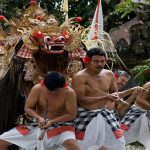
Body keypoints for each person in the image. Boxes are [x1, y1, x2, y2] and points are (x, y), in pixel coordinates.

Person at [0, 71, 82, 150]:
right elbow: (28, 108)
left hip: (62, 125)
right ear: (44, 84)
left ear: (62, 86)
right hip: (37, 124)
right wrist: (39, 118)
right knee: (2, 141)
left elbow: (72, 115)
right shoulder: (37, 88)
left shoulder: (69, 92)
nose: (53, 93)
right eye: (50, 90)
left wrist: (52, 121)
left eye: (56, 90)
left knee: (74, 147)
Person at [72, 47, 128, 150]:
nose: (100, 64)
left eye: (102, 61)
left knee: (118, 143)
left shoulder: (109, 74)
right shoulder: (79, 77)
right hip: (85, 114)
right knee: (82, 145)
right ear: (87, 61)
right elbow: (80, 99)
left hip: (104, 113)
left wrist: (119, 100)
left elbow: (114, 94)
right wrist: (105, 97)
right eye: (96, 61)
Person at [120, 82, 150, 150]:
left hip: (148, 115)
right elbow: (139, 100)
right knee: (120, 133)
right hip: (136, 112)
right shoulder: (148, 85)